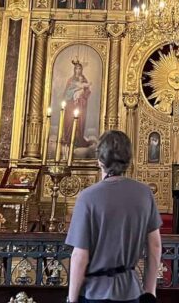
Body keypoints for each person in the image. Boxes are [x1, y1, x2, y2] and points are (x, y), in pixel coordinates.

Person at [66, 130, 162, 303]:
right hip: (130, 292)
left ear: (100, 160)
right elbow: (154, 246)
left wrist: (71, 300)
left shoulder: (87, 197)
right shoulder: (144, 194)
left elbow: (80, 256)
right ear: (129, 160)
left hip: (94, 293)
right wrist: (150, 291)